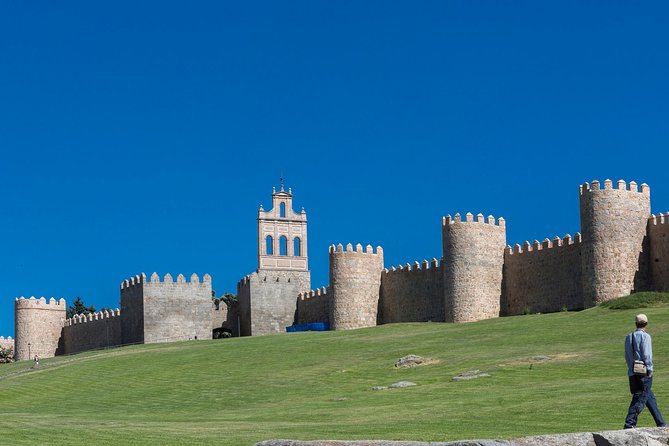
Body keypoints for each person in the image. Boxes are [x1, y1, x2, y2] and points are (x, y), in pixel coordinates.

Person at [624, 313, 667, 428]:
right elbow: (647, 355)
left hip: (633, 372)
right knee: (640, 397)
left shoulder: (629, 337)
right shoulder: (646, 336)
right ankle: (629, 424)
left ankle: (661, 423)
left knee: (649, 397)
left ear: (636, 323)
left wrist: (631, 368)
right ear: (646, 323)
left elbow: (627, 356)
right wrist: (650, 369)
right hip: (643, 372)